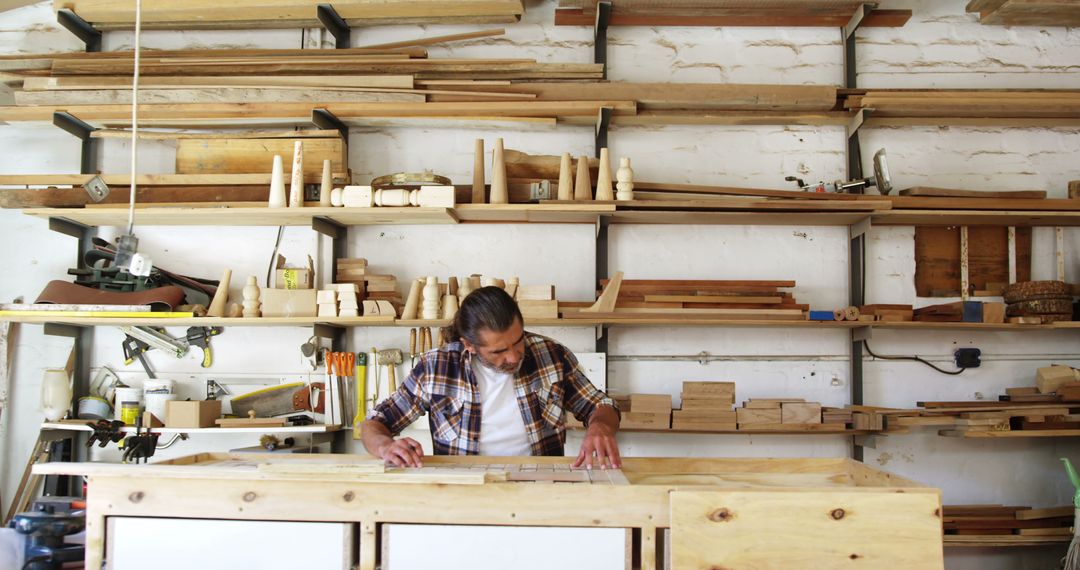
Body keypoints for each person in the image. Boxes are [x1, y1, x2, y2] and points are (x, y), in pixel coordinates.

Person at [362, 286, 621, 469]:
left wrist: (601, 427)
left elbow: (601, 406)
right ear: (469, 345)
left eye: (518, 342)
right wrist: (385, 447)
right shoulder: (436, 367)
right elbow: (375, 422)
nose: (513, 357)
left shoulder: (552, 355)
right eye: (499, 351)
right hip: (463, 490)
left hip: (540, 483)